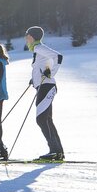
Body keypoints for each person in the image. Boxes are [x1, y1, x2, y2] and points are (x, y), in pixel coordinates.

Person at [24, 26, 64, 160]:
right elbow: (46, 63)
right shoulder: (37, 50)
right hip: (43, 86)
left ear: (32, 37)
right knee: (46, 119)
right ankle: (58, 152)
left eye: (27, 35)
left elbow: (58, 56)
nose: (26, 38)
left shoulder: (39, 48)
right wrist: (35, 79)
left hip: (46, 87)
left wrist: (50, 74)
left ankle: (54, 151)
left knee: (41, 119)